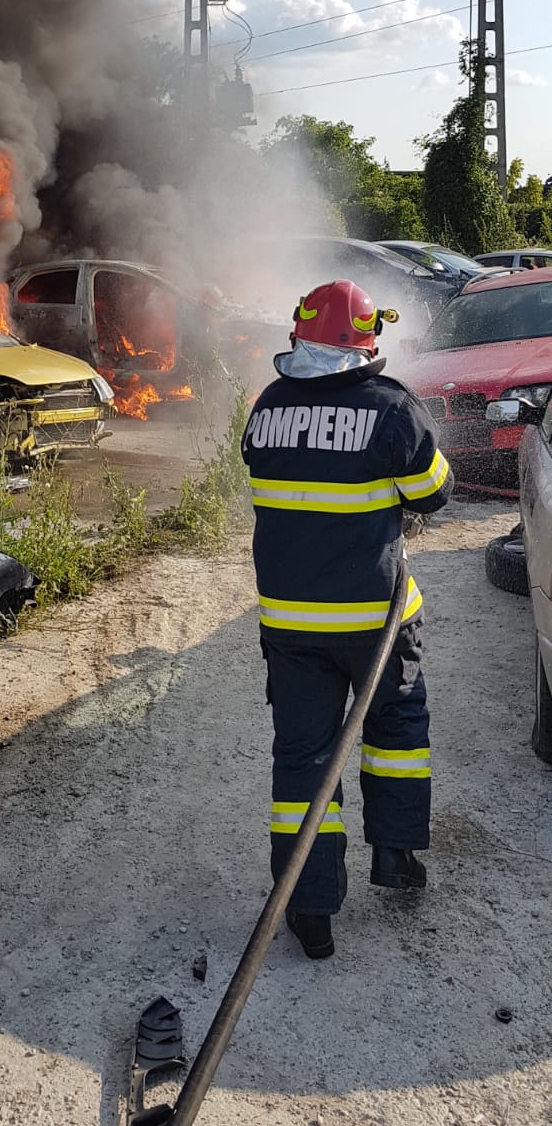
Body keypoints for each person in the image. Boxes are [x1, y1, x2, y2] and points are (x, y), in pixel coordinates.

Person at [241, 278, 453, 961]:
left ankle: (309, 908)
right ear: (366, 341)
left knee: (303, 759)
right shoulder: (390, 408)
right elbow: (436, 493)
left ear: (299, 336)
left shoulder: (266, 407)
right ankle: (393, 854)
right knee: (394, 728)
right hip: (375, 624)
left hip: (292, 626)